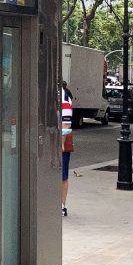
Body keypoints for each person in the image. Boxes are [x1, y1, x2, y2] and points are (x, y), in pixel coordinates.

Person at [62, 82, 74, 216]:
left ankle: (62, 204)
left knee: (62, 175)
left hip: (61, 141)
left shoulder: (64, 97)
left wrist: (62, 144)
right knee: (62, 174)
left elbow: (66, 123)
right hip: (56, 139)